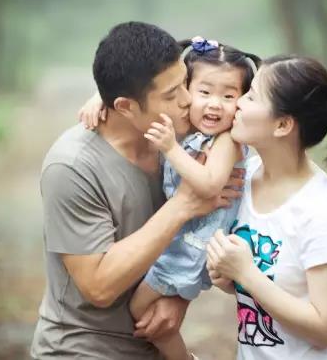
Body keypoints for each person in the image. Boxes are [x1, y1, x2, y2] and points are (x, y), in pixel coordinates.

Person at [30, 22, 243, 359]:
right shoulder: (72, 166)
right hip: (83, 350)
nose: (189, 100)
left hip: (152, 347)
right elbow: (99, 287)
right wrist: (185, 203)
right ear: (125, 107)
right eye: (172, 95)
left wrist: (177, 295)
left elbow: (240, 82)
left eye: (185, 84)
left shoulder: (183, 136)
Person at [78, 35, 261, 360]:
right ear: (185, 90)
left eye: (228, 96)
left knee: (141, 311)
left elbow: (208, 185)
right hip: (182, 239)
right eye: (204, 92)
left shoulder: (225, 141)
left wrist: (171, 148)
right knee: (149, 315)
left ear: (243, 101)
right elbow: (141, 84)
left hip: (193, 247)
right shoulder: (191, 127)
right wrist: (100, 97)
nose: (215, 104)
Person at [205, 55, 327, 359]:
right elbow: (277, 289)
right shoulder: (244, 177)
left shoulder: (322, 213)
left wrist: (246, 274)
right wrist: (231, 280)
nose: (238, 103)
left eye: (251, 96)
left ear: (283, 125)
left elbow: (325, 329)